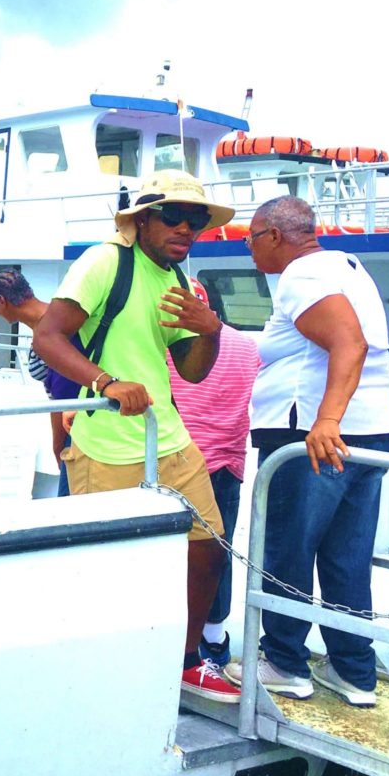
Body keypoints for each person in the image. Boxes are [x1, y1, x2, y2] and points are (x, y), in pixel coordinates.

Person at [32, 168, 241, 704]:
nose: (185, 228)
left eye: (195, 220)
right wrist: (105, 381)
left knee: (208, 547)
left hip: (167, 437)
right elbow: (47, 335)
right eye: (173, 216)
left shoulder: (178, 281)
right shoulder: (107, 261)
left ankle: (188, 659)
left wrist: (209, 330)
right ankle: (101, 666)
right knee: (107, 567)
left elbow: (192, 371)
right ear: (142, 219)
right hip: (105, 443)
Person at [224, 195, 389, 707]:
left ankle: (282, 662)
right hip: (369, 431)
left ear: (275, 236)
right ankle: (353, 672)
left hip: (310, 437)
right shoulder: (349, 268)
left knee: (287, 550)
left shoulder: (301, 275)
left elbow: (349, 343)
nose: (249, 249)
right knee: (346, 556)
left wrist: (325, 420)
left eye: (251, 238)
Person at [164, 278, 260, 667]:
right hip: (227, 464)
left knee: (174, 560)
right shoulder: (246, 345)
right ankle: (215, 639)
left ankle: (179, 641)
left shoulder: (168, 348)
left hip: (177, 464)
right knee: (217, 554)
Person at [0, 268, 83, 497]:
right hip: (71, 423)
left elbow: (63, 394)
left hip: (77, 428)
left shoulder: (53, 326)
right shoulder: (46, 323)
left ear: (2, 301)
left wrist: (58, 444)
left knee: (70, 504)